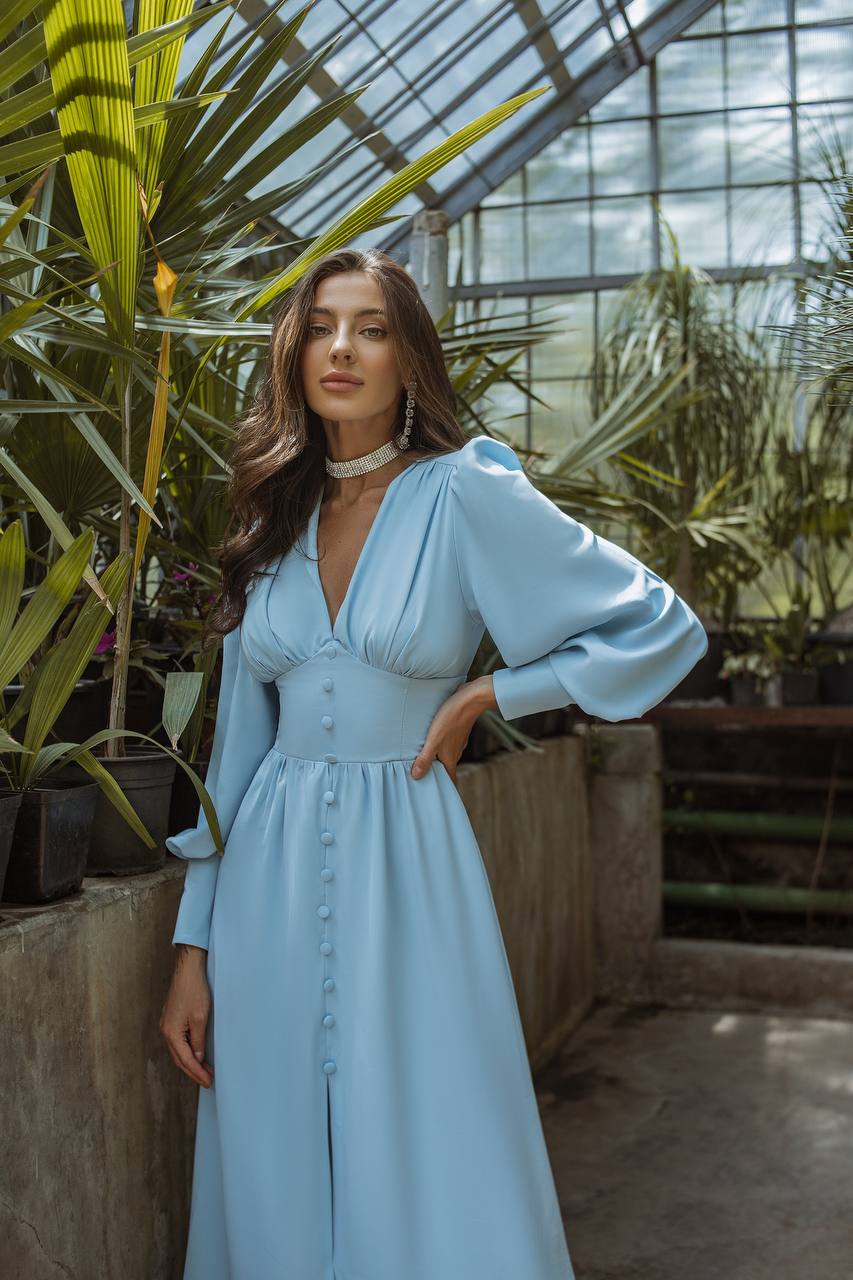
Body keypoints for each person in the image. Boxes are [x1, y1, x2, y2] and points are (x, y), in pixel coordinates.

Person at [160, 247, 708, 1279]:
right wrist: (194, 948)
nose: (340, 349)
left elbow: (660, 628)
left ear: (408, 359)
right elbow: (234, 756)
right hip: (263, 884)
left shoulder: (464, 493)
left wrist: (489, 695)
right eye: (320, 326)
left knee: (430, 1133)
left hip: (409, 866)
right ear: (293, 354)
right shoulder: (273, 516)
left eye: (370, 329)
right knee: (271, 1144)